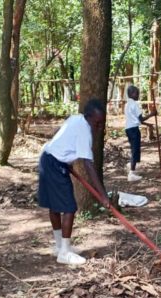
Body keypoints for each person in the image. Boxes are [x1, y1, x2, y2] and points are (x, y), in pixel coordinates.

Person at [38, 99, 109, 266]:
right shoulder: (85, 131)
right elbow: (88, 165)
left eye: (102, 124)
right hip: (54, 165)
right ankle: (64, 252)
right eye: (97, 123)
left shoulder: (75, 118)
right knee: (69, 208)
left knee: (54, 207)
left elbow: (59, 133)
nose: (99, 127)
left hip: (47, 158)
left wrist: (65, 157)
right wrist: (103, 196)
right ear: (89, 117)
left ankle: (60, 247)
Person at [124, 85, 158, 182]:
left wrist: (148, 124)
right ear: (131, 94)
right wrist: (152, 114)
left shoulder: (127, 104)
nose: (138, 95)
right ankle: (131, 173)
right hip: (134, 130)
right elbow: (140, 119)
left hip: (129, 129)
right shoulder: (134, 104)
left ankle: (132, 170)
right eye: (136, 93)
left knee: (134, 149)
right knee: (135, 150)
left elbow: (136, 119)